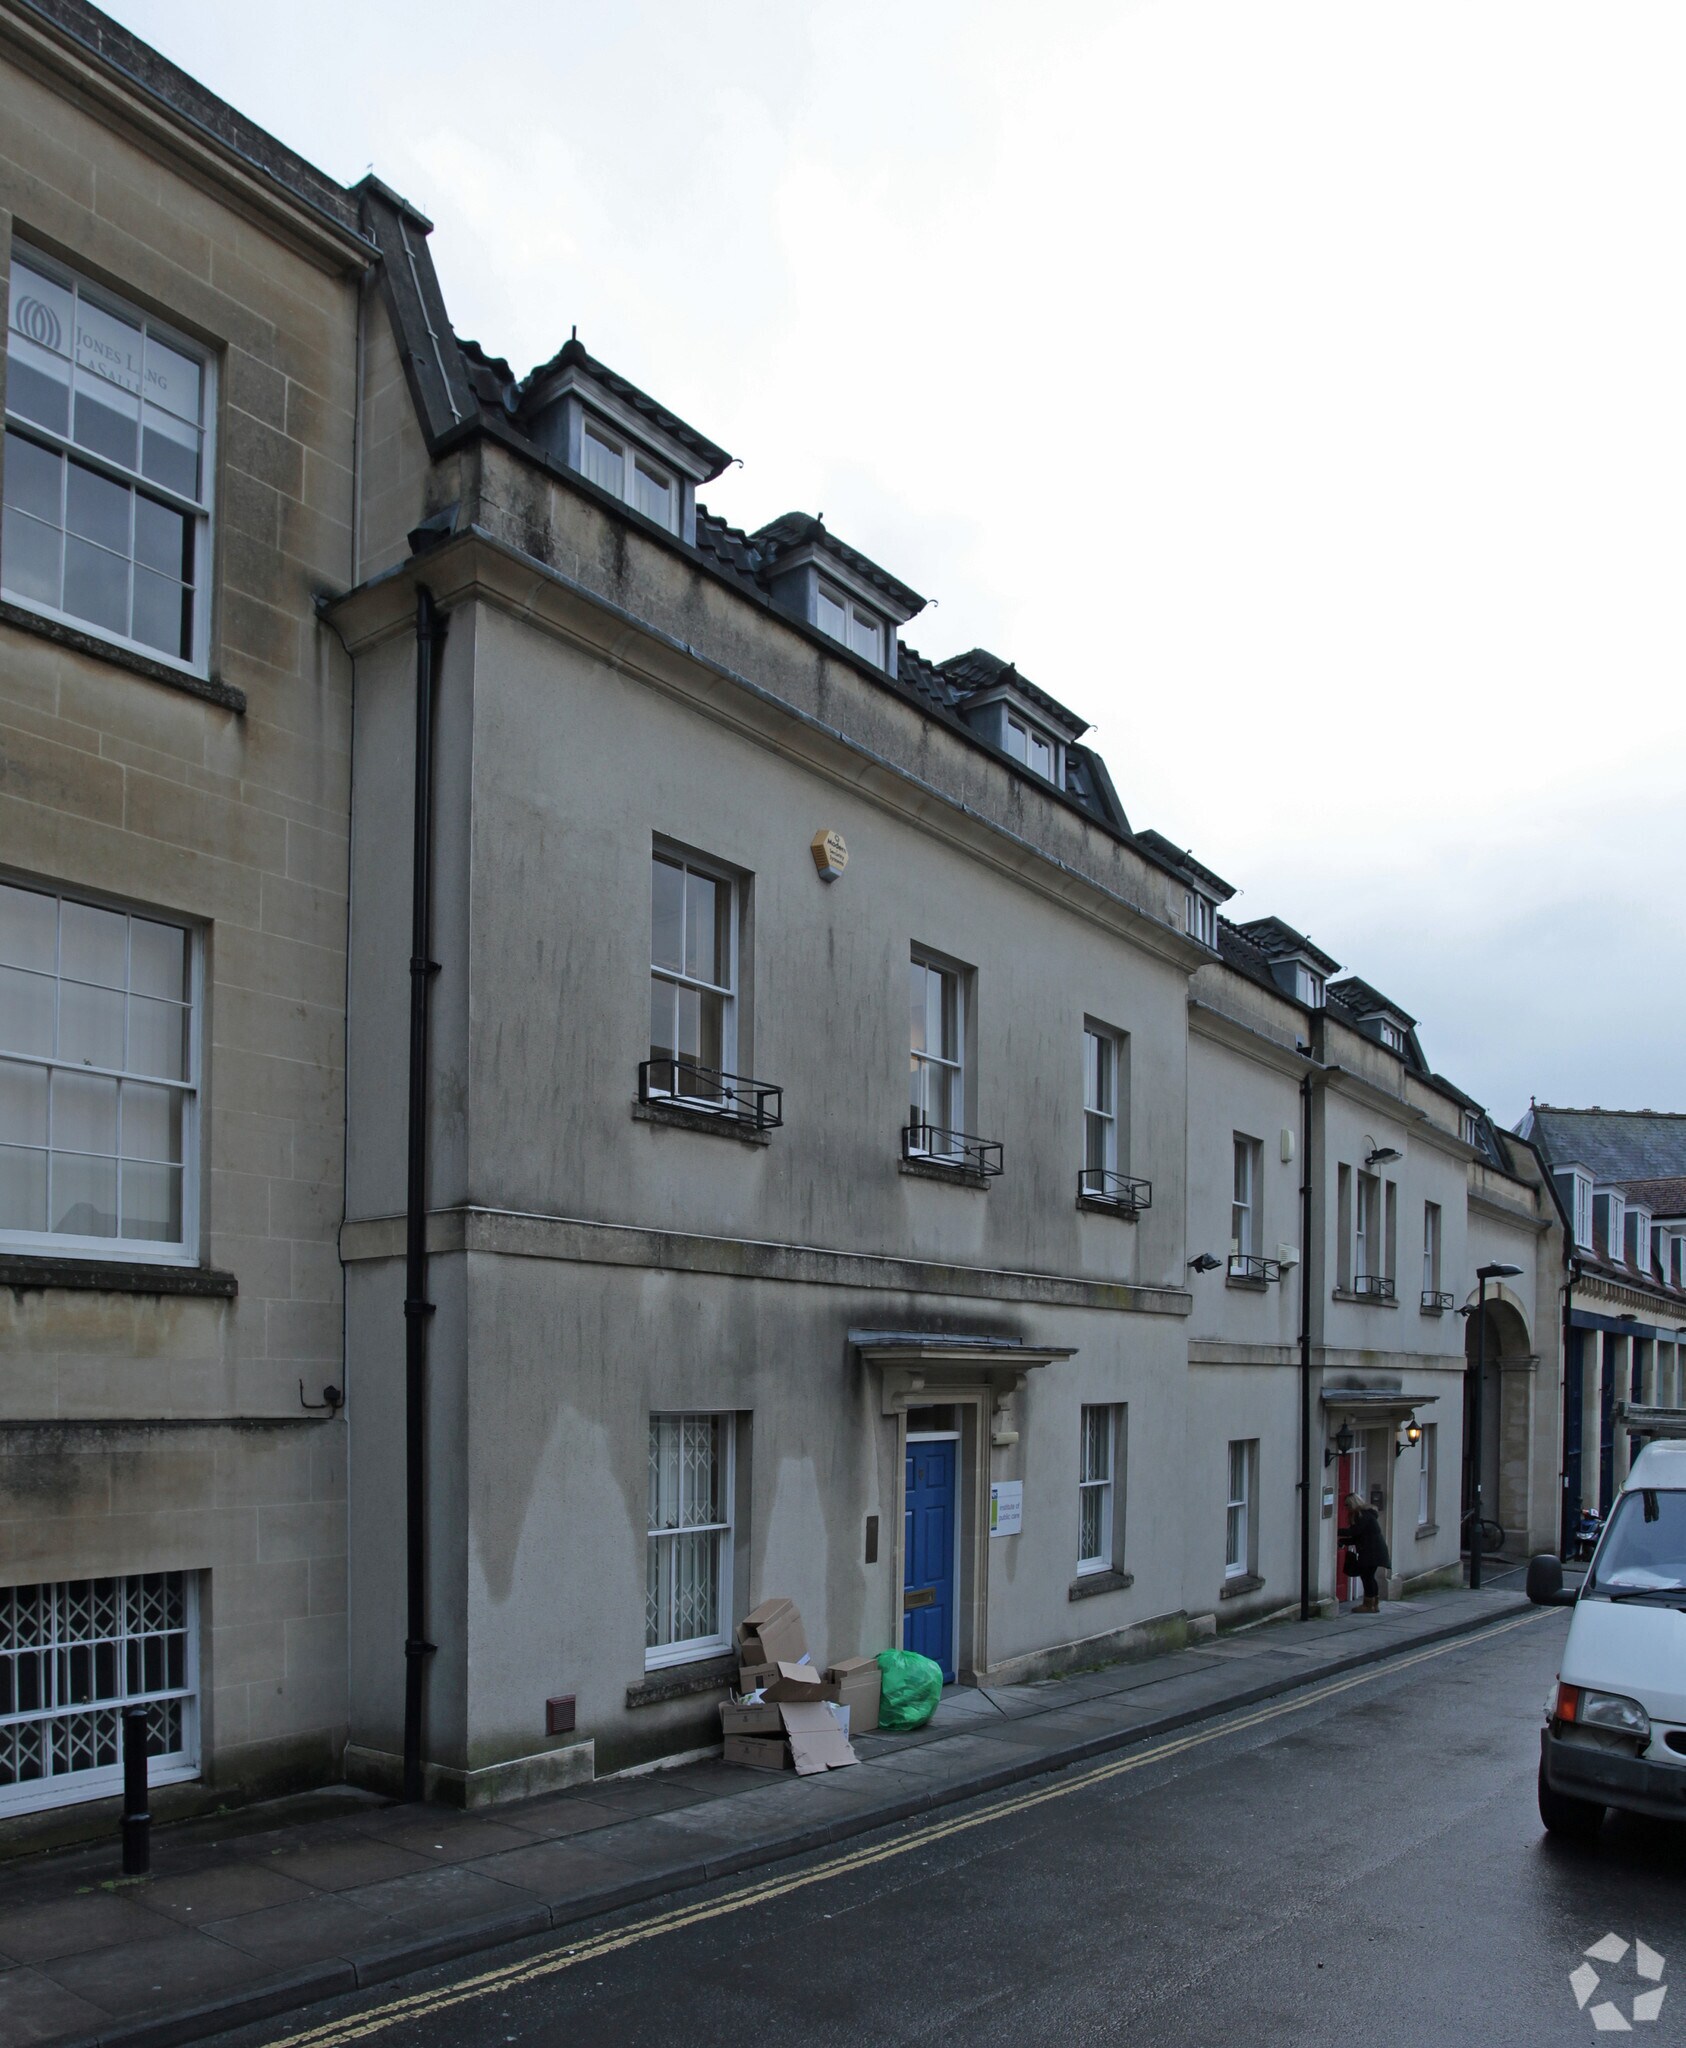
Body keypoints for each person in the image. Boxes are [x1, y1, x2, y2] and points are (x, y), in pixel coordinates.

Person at [1342, 1492, 1390, 1613]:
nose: (1346, 1508)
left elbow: (1354, 1532)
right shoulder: (1367, 1514)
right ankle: (1374, 1604)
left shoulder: (1362, 1515)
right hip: (1374, 1550)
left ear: (1353, 1503)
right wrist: (1342, 1541)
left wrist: (1334, 1530)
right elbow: (1358, 1536)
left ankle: (1368, 1605)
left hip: (1371, 1551)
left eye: (1347, 1505)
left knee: (1367, 1577)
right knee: (1369, 1576)